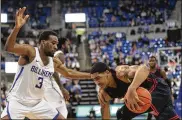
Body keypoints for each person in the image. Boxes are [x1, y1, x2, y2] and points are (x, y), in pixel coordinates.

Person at [1, 7, 90, 120]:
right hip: (18, 101)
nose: (55, 46)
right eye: (53, 43)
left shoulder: (53, 61)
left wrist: (90, 75)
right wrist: (17, 28)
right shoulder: (31, 52)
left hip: (38, 103)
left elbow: (68, 73)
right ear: (43, 42)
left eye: (56, 44)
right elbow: (9, 47)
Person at [90, 62, 179, 120]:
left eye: (98, 78)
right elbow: (105, 113)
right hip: (148, 97)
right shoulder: (105, 94)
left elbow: (145, 68)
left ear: (107, 72)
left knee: (135, 106)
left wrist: (131, 88)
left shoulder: (121, 73)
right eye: (94, 80)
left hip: (157, 87)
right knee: (121, 115)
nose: (96, 82)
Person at [147, 55, 173, 120]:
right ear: (148, 62)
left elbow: (168, 83)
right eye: (150, 61)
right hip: (150, 95)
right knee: (150, 114)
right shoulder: (146, 72)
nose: (151, 62)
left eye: (153, 60)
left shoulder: (161, 71)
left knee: (161, 114)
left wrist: (171, 94)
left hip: (161, 95)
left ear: (156, 62)